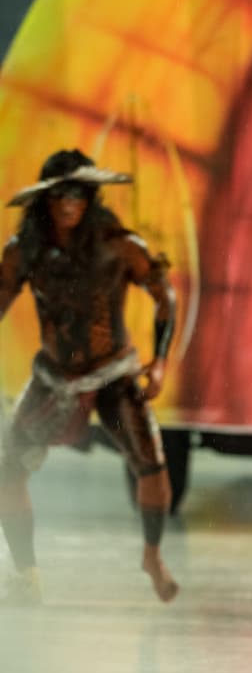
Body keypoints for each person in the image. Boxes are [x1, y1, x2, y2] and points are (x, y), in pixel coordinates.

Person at [0, 149, 178, 603]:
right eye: (60, 195)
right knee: (8, 471)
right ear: (45, 199)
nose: (68, 204)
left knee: (151, 463)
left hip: (112, 374)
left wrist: (159, 360)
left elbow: (164, 295)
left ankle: (152, 556)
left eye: (77, 194)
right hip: (55, 377)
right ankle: (26, 574)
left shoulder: (118, 244)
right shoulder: (25, 251)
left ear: (90, 197)